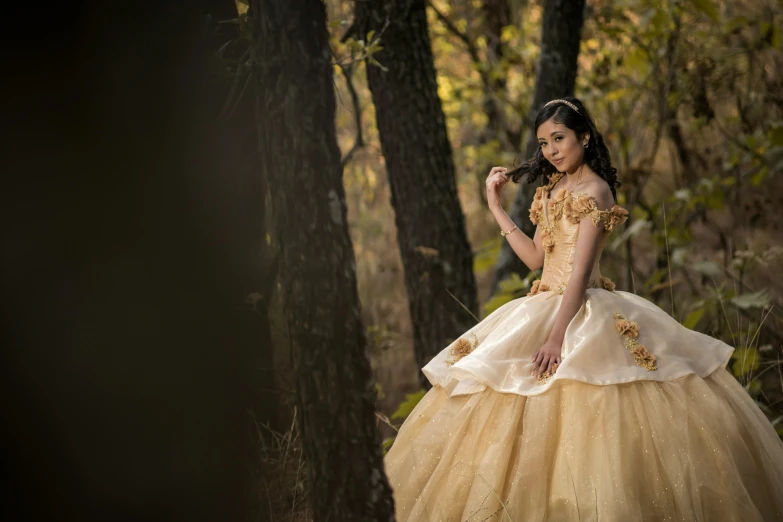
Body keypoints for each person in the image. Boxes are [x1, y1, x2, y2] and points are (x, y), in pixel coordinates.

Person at [383, 97, 783, 521]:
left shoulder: (597, 191)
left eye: (559, 139)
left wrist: (556, 338)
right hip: (541, 300)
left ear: (584, 137)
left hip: (580, 308)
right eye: (543, 143)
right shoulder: (552, 189)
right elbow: (537, 260)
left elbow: (579, 274)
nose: (552, 150)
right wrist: (496, 208)